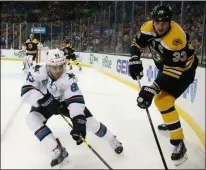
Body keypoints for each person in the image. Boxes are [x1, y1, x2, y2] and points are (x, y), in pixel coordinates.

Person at [21, 49, 123, 167]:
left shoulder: (68, 77)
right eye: (54, 67)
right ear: (48, 65)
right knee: (31, 119)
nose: (58, 70)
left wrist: (78, 120)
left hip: (64, 102)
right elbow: (26, 90)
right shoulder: (37, 71)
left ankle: (112, 140)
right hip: (44, 101)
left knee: (89, 123)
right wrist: (44, 100)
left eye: (60, 66)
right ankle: (57, 150)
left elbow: (75, 99)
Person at [128, 5, 198, 166]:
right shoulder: (148, 27)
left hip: (183, 71)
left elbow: (173, 73)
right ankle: (170, 123)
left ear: (170, 22)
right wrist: (134, 59)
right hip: (166, 68)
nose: (160, 26)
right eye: (157, 22)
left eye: (164, 23)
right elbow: (137, 43)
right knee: (161, 100)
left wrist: (151, 89)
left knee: (163, 101)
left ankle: (179, 142)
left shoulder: (176, 38)